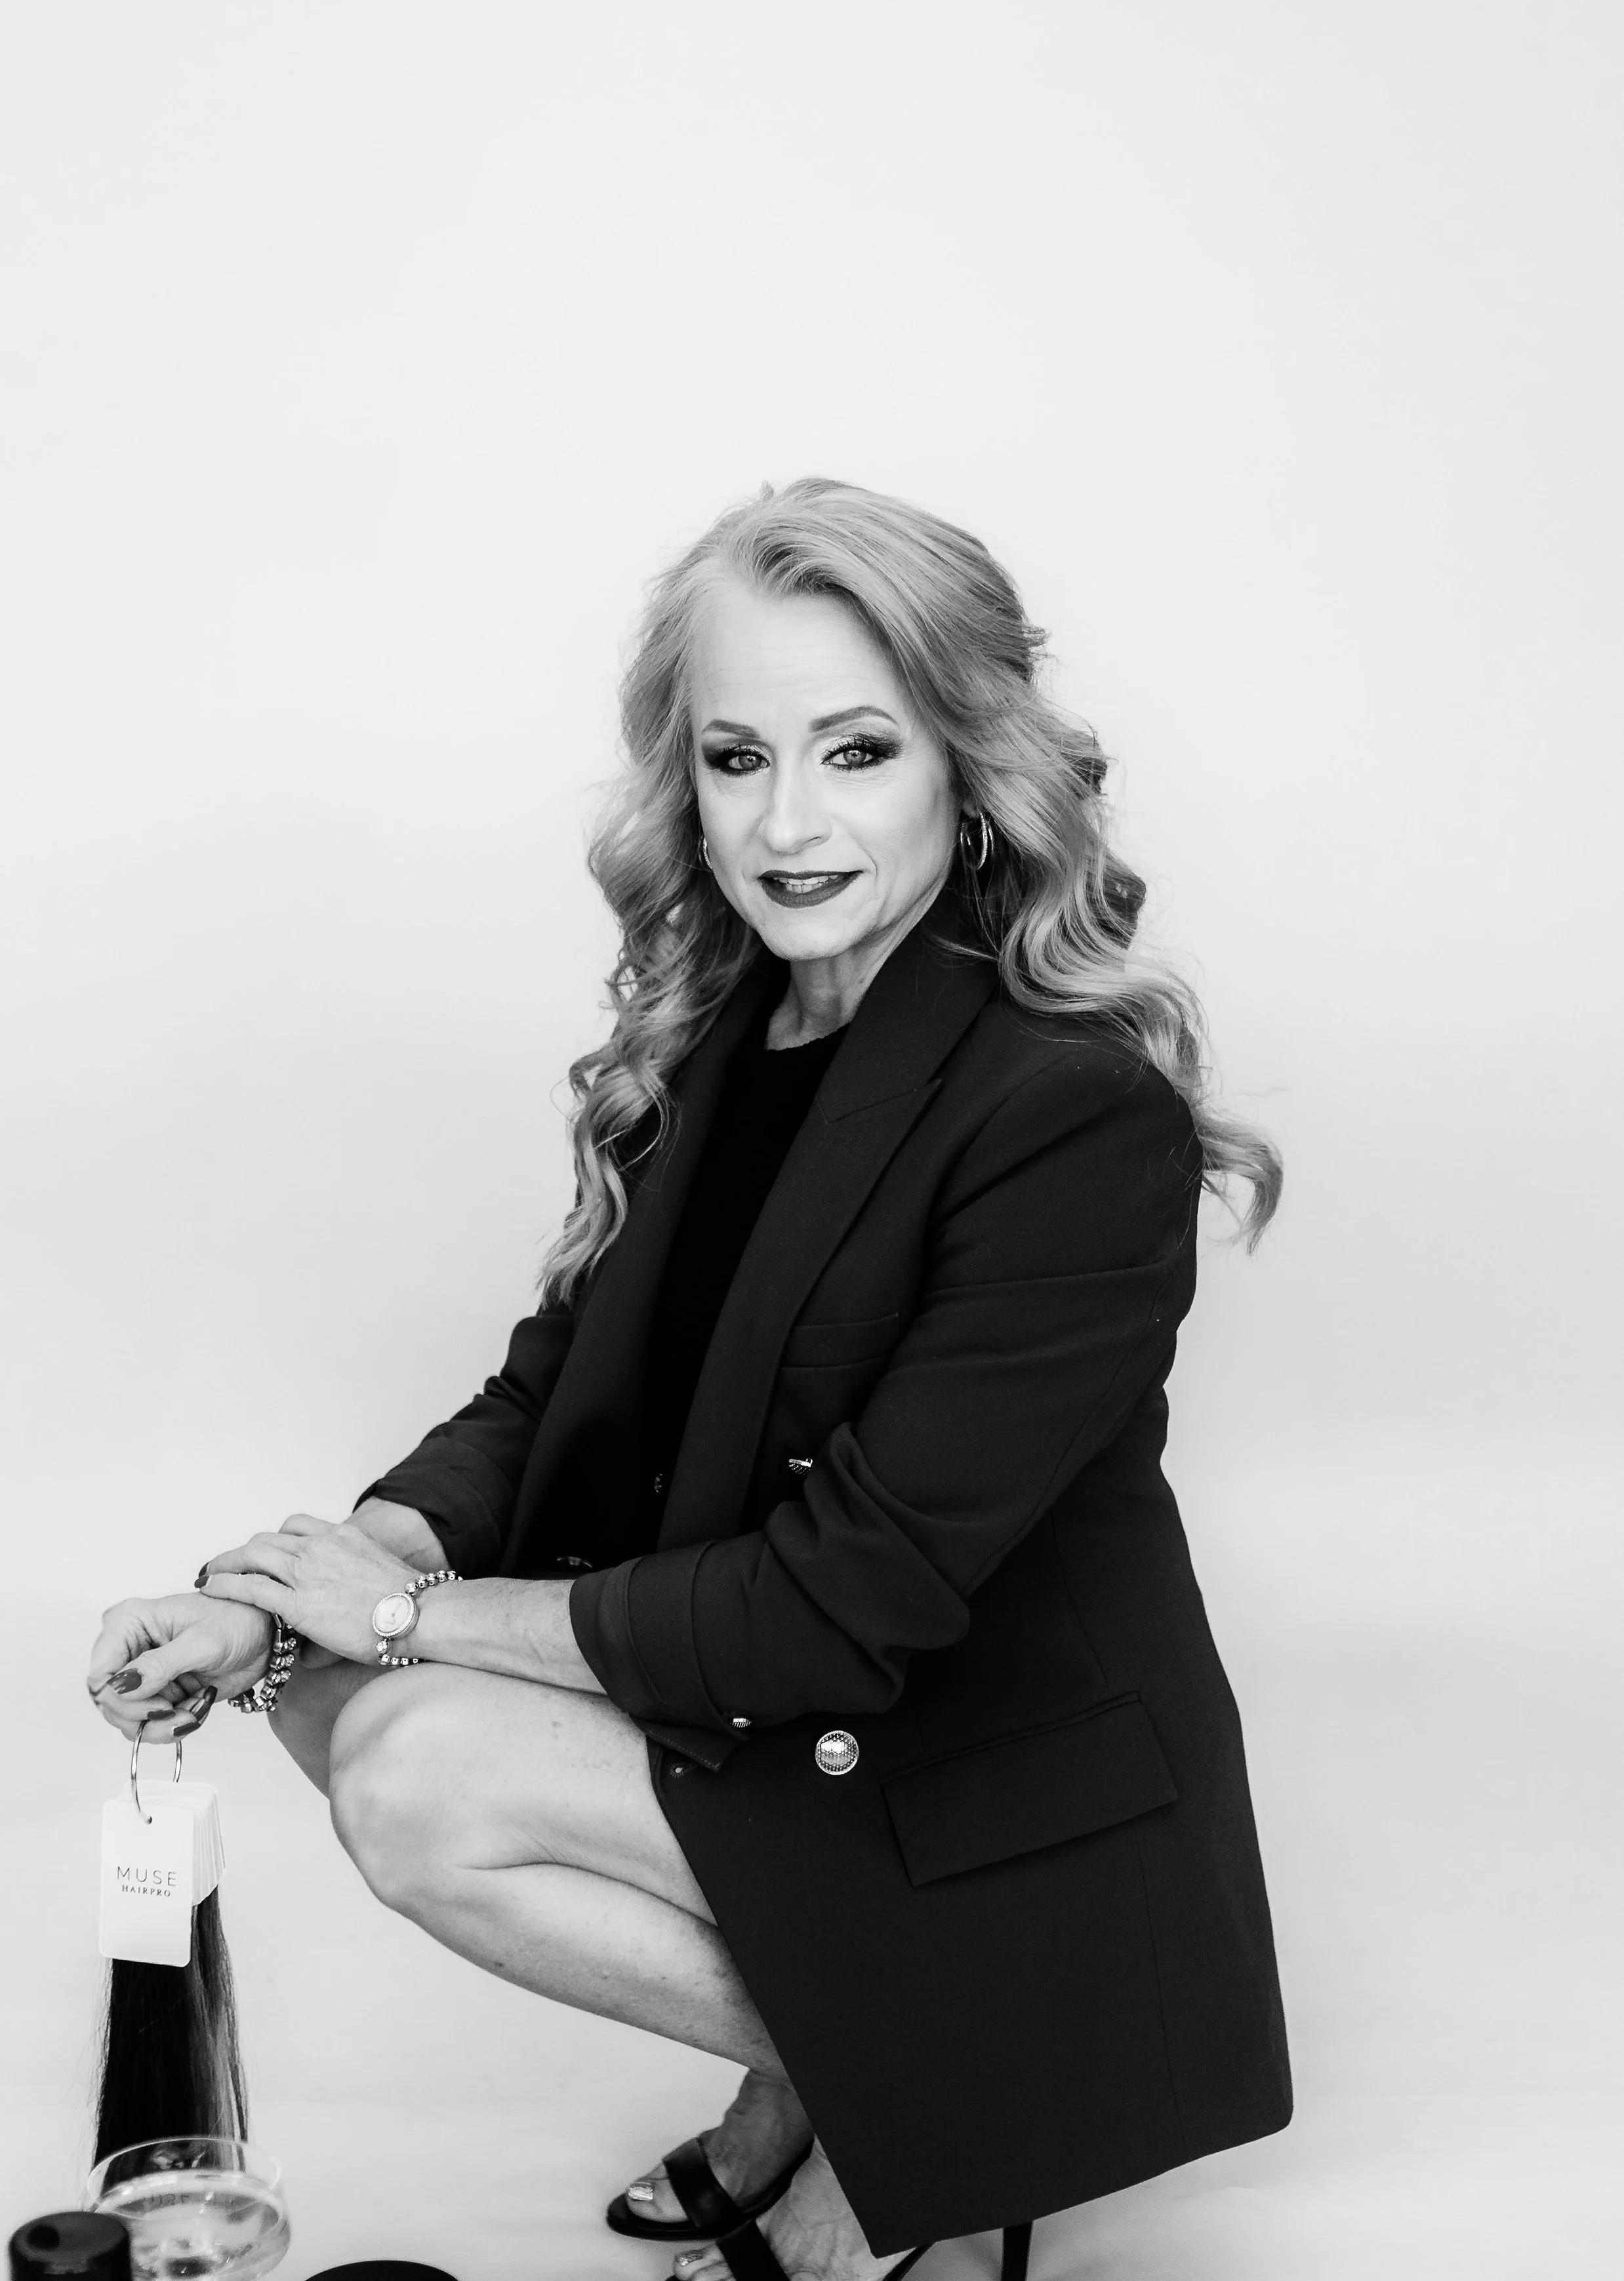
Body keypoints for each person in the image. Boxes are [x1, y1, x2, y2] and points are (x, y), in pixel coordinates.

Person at [88, 480, 1291, 2281]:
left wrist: (406, 1617)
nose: (787, 822)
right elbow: (549, 1396)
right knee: (319, 1691)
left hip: (968, 1766)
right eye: (738, 758)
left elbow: (843, 1603)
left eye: (857, 751)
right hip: (808, 1718)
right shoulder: (726, 1032)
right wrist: (281, 1596)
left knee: (414, 1763)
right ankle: (847, 2075)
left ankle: (956, 2113)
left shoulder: (1067, 1113)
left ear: (970, 766)